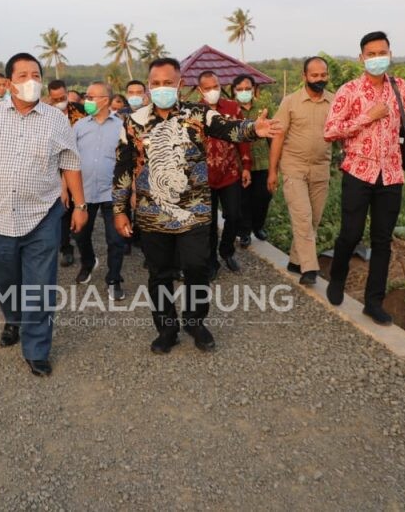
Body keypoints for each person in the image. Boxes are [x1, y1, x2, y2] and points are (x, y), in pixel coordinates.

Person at [112, 58, 281, 354]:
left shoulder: (198, 114)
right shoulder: (133, 122)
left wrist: (255, 128)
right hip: (153, 215)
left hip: (195, 213)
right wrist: (119, 210)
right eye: (156, 83)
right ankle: (167, 329)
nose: (162, 88)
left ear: (179, 85)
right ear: (149, 86)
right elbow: (122, 168)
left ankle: (195, 321)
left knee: (196, 269)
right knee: (160, 274)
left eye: (168, 82)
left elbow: (230, 128)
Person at [0, 53, 87, 377]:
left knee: (40, 287)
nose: (31, 81)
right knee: (2, 280)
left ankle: (36, 347)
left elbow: (70, 163)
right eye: (24, 75)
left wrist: (80, 205)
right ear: (10, 82)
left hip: (42, 216)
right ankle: (13, 318)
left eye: (36, 75)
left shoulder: (56, 120)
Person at [323, 31, 405, 325]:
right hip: (358, 172)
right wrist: (367, 117)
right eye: (370, 54)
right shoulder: (349, 91)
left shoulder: (401, 89)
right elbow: (330, 131)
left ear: (390, 54)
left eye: (381, 52)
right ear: (361, 58)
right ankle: (337, 277)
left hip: (392, 174)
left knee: (382, 240)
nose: (376, 58)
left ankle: (374, 302)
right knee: (351, 233)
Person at [267, 57, 334, 286]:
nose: (319, 79)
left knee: (313, 219)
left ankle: (296, 261)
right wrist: (272, 171)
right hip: (294, 167)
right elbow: (278, 137)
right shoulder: (290, 102)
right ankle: (310, 268)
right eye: (314, 75)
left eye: (323, 75)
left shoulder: (334, 102)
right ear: (304, 76)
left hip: (321, 169)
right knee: (303, 217)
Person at [72, 81, 127, 299]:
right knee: (79, 233)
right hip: (84, 192)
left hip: (113, 193)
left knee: (115, 239)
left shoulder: (121, 125)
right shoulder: (79, 126)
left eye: (91, 97)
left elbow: (129, 160)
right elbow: (69, 160)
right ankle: (88, 262)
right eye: (86, 96)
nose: (87, 101)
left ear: (105, 100)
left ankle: (114, 279)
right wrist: (66, 189)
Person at [198, 71, 251, 279]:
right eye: (208, 87)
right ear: (201, 90)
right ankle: (211, 261)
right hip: (203, 177)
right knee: (208, 222)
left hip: (230, 172)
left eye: (216, 86)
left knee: (234, 215)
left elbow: (242, 136)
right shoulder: (194, 112)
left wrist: (246, 165)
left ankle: (226, 251)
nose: (213, 91)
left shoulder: (231, 107)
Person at [47, 79, 87, 267]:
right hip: (55, 170)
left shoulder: (81, 110)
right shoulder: (45, 114)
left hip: (81, 168)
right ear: (50, 97)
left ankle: (83, 244)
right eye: (56, 99)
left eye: (63, 97)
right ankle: (66, 248)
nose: (60, 101)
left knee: (80, 206)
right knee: (61, 211)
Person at [233, 75, 273, 245]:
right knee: (244, 199)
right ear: (234, 91)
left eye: (247, 88)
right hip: (241, 164)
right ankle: (245, 232)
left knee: (263, 197)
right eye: (240, 89)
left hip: (263, 162)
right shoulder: (231, 110)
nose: (244, 92)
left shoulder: (263, 109)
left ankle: (258, 227)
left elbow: (272, 136)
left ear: (254, 89)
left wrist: (275, 163)